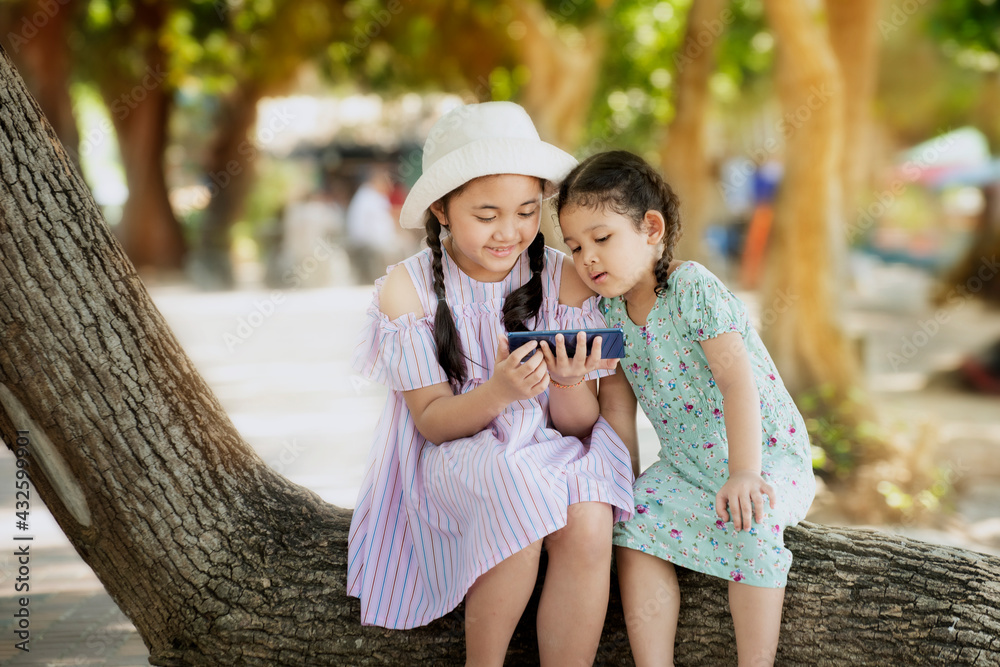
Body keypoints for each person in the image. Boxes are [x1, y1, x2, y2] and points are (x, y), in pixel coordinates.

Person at [347, 102, 634, 666]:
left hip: (551, 446)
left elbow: (577, 427)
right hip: (459, 450)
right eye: (486, 215)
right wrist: (499, 393)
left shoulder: (564, 277)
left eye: (528, 211)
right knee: (516, 491)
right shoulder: (408, 292)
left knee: (591, 513)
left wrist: (569, 382)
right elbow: (431, 422)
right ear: (442, 209)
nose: (511, 232)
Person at [556, 150, 816, 667]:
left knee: (754, 524)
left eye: (602, 238)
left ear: (651, 228)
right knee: (632, 529)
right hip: (684, 464)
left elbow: (737, 383)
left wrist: (745, 472)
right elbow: (620, 412)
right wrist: (621, 484)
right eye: (575, 245)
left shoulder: (691, 287)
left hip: (761, 452)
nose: (587, 257)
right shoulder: (609, 312)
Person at [345, 164, 406, 284]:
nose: (388, 186)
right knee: (400, 248)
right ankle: (394, 282)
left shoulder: (369, 195)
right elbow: (378, 229)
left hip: (370, 240)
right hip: (367, 241)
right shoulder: (369, 196)